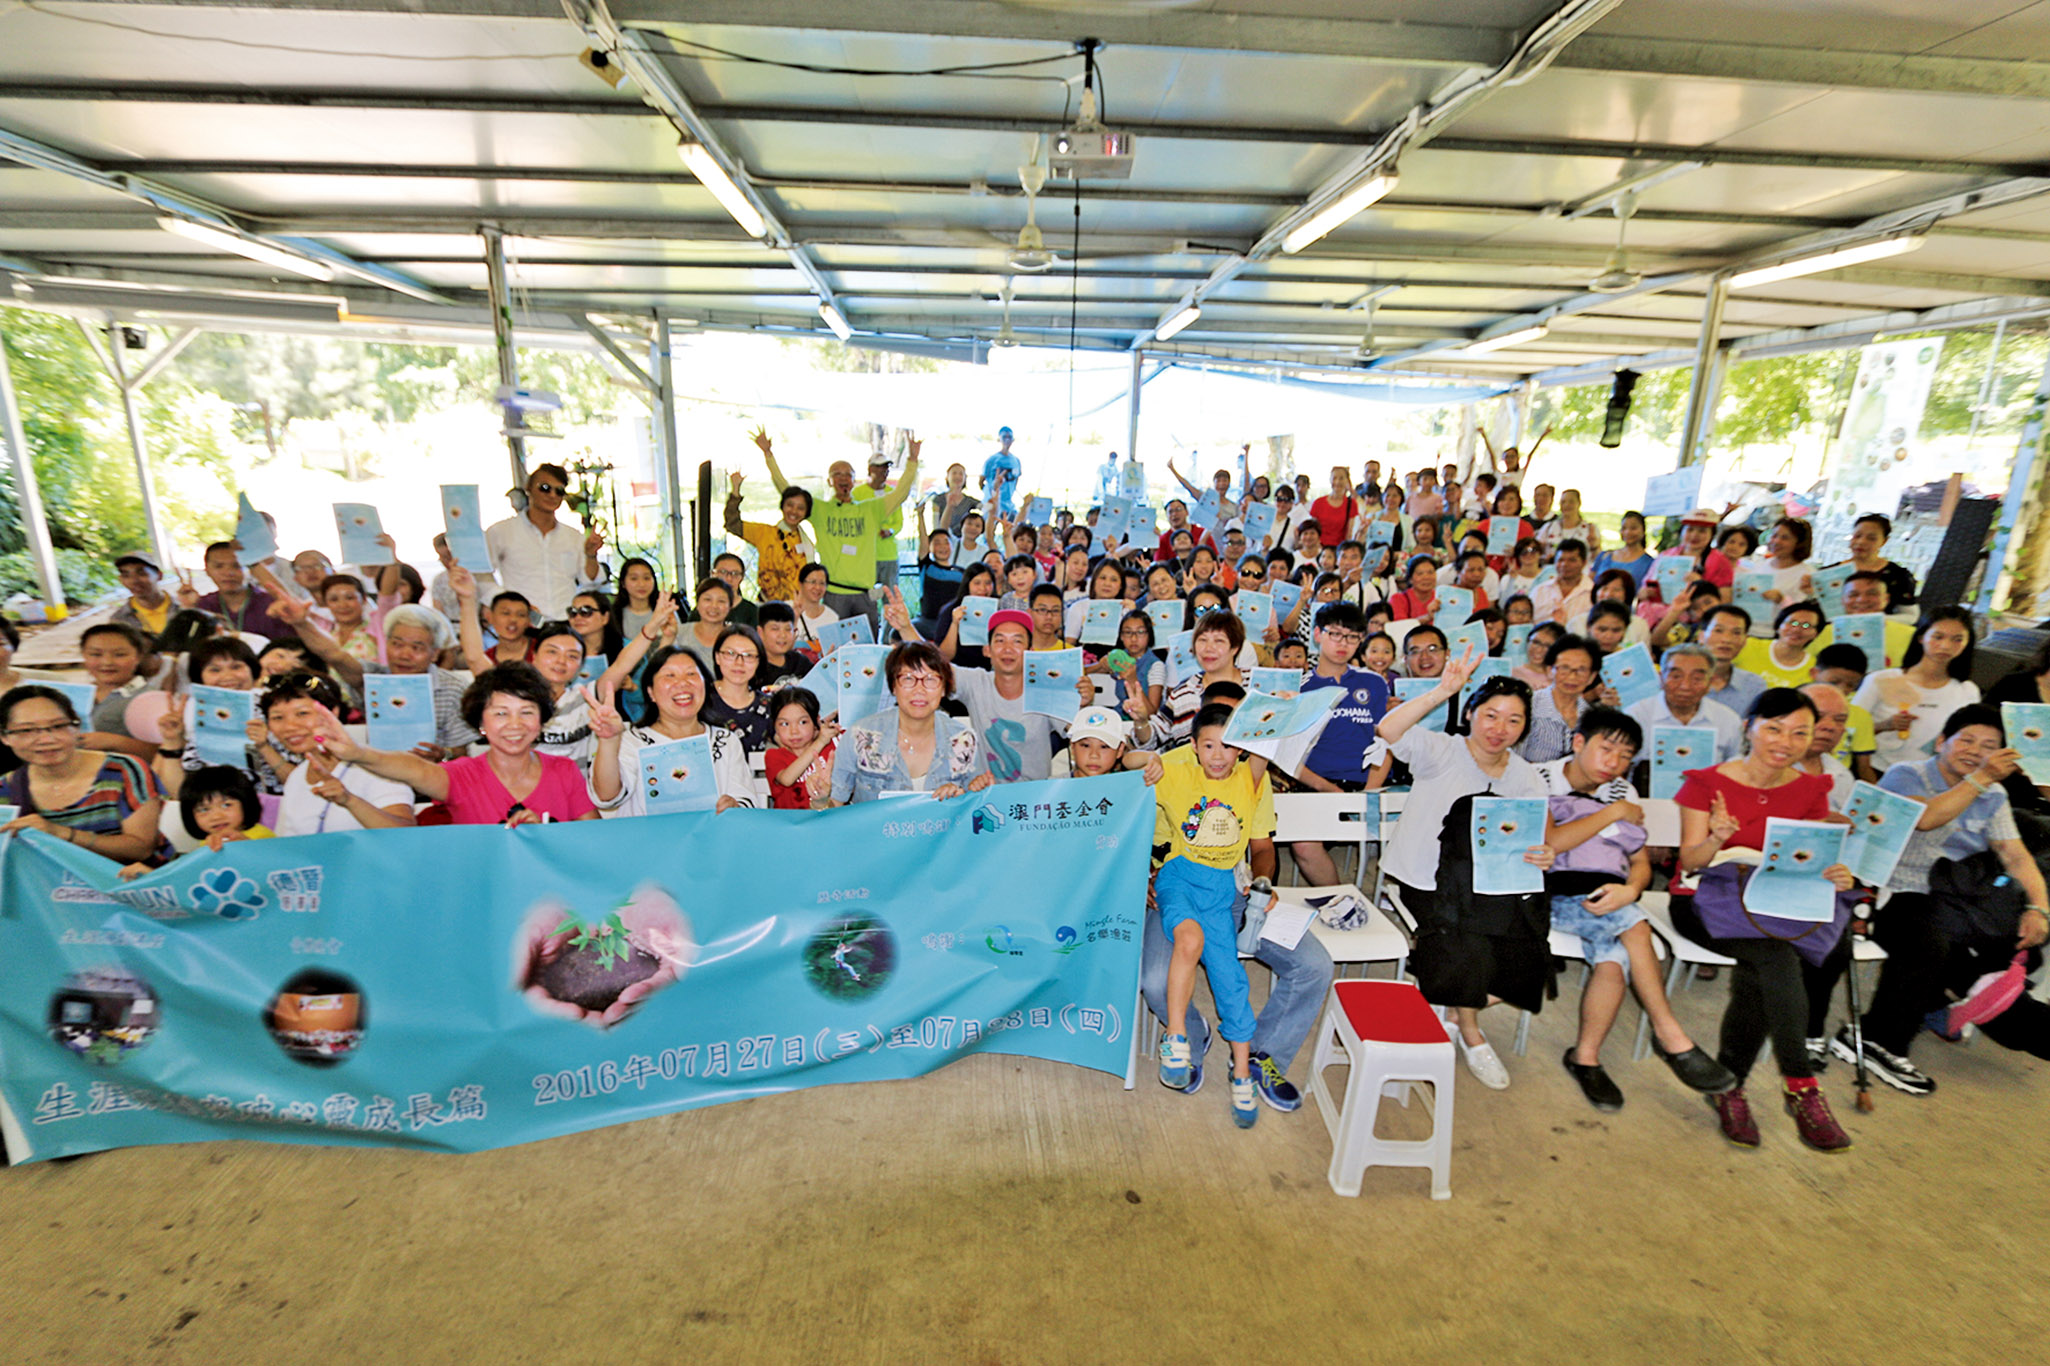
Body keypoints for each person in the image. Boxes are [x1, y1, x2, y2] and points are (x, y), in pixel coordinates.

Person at [1825, 705, 2050, 1090]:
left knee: (2023, 947)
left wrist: (2038, 908)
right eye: (1966, 740)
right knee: (1934, 946)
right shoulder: (1906, 774)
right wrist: (1980, 779)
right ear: (1941, 742)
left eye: (1989, 746)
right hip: (1893, 894)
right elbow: (1926, 818)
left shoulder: (1993, 792)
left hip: (1958, 900)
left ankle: (1938, 1006)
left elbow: (2015, 855)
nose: (1975, 751)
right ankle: (1882, 1039)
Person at [1674, 687, 1856, 1152]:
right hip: (1706, 899)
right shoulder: (1706, 783)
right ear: (1748, 727)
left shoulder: (1812, 788)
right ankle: (1802, 1087)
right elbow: (1689, 863)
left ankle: (1729, 1088)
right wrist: (1717, 838)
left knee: (1765, 970)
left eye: (1800, 733)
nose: (1785, 741)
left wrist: (1832, 870)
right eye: (1773, 728)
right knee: (1776, 959)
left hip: (1774, 901)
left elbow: (1809, 856)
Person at [1536, 708, 1738, 1108]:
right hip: (1552, 894)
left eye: (1625, 756)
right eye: (1606, 749)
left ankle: (1585, 1058)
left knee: (1614, 959)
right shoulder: (1540, 779)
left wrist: (1631, 890)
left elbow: (1641, 862)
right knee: (1636, 928)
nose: (1614, 763)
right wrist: (1610, 813)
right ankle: (1670, 1036)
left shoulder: (1622, 791)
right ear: (1579, 742)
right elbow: (1551, 844)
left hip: (1607, 898)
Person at [1378, 656, 1553, 1088]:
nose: (1500, 727)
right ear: (1472, 712)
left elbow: (1536, 835)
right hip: (1425, 881)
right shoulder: (1443, 751)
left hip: (1491, 886)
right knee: (1470, 946)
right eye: (1491, 714)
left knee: (1531, 958)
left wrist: (1544, 853)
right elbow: (1389, 730)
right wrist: (1441, 692)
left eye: (1513, 720)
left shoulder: (1526, 775)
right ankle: (1472, 1036)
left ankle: (1454, 1008)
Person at [1153, 703, 1273, 1130]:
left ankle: (1241, 1071)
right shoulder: (1177, 773)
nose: (1218, 755)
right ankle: (1177, 1037)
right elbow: (1133, 759)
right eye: (1208, 746)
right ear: (1194, 747)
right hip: (1179, 877)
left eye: (1227, 746)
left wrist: (1273, 701)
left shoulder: (1251, 776)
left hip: (1221, 889)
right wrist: (1146, 761)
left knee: (1231, 979)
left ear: (1242, 749)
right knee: (1189, 941)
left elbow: (1269, 734)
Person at [318, 662, 597, 825]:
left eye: (527, 712)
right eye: (501, 713)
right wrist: (357, 753)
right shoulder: (462, 775)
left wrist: (546, 837)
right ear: (480, 723)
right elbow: (413, 769)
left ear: (541, 721)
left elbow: (593, 841)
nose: (515, 724)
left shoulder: (564, 771)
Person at [268, 598, 479, 759]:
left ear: (435, 654)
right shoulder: (374, 677)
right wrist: (302, 623)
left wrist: (442, 754)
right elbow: (335, 655)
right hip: (379, 774)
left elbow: (461, 753)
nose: (404, 655)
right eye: (396, 644)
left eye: (416, 648)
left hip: (434, 779)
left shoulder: (453, 687)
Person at [759, 431, 919, 630]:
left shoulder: (871, 509)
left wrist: (912, 460)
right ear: (830, 481)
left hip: (864, 594)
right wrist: (768, 455)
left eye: (848, 474)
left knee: (866, 649)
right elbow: (788, 492)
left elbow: (900, 493)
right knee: (834, 650)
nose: (843, 478)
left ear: (854, 481)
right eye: (837, 474)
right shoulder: (819, 510)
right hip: (834, 594)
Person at [1, 684, 167, 865]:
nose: (46, 740)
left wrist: (60, 833)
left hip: (126, 884)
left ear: (77, 726)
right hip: (49, 887)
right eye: (26, 730)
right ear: (5, 737)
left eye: (58, 726)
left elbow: (141, 849)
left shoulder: (126, 771)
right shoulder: (6, 789)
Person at [1286, 602, 1389, 884]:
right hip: (1316, 783)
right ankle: (1339, 901)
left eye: (1352, 636)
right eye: (1335, 634)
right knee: (1304, 844)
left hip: (1367, 784)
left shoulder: (1374, 683)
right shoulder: (1299, 688)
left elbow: (1386, 742)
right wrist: (1327, 789)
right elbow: (1288, 756)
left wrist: (1367, 794)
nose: (1344, 643)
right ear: (1318, 634)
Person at [588, 646, 754, 817]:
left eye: (691, 674)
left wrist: (734, 807)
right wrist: (609, 741)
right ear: (650, 692)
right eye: (670, 675)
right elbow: (607, 796)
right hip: (646, 841)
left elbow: (745, 802)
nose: (683, 683)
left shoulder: (725, 741)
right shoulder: (631, 742)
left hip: (709, 839)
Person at [258, 672, 417, 837]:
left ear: (333, 711)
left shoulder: (376, 767)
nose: (289, 727)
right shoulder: (296, 778)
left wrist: (350, 801)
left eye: (302, 713)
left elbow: (405, 834)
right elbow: (288, 846)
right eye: (277, 718)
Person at [830, 641, 991, 804]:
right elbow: (834, 806)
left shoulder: (964, 740)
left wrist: (962, 798)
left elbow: (975, 806)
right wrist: (820, 800)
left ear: (943, 688)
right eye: (908, 678)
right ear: (893, 686)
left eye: (930, 679)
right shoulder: (861, 737)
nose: (919, 690)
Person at [147, 636, 285, 800]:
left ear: (253, 670)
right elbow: (174, 792)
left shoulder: (276, 709)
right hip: (208, 809)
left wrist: (264, 746)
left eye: (236, 667)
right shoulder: (195, 714)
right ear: (200, 677)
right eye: (214, 670)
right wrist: (171, 741)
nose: (227, 676)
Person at [1853, 607, 1980, 771]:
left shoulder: (1967, 691)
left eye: (1957, 639)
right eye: (1938, 637)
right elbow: (1847, 728)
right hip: (1875, 769)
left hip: (1930, 779)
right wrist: (1884, 725)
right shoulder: (1881, 679)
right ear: (1921, 637)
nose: (1945, 646)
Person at [484, 462, 608, 619]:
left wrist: (591, 555)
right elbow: (481, 576)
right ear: (528, 487)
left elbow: (590, 581)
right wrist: (506, 605)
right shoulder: (501, 531)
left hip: (566, 621)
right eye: (545, 488)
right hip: (521, 623)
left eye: (559, 491)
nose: (552, 495)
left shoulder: (573, 536)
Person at [121, 763, 271, 876]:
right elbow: (191, 879)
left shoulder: (261, 837)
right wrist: (149, 874)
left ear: (246, 802)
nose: (216, 816)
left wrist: (247, 848)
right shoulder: (206, 841)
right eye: (204, 809)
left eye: (226, 805)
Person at [1626, 643, 1744, 764]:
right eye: (1676, 676)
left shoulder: (1729, 721)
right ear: (1661, 678)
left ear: (1710, 682)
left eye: (1697, 678)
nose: (1685, 686)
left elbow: (1737, 768)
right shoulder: (1636, 716)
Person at [724, 462, 817, 604]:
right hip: (767, 605)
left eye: (800, 508)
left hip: (799, 607)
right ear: (782, 506)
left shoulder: (806, 541)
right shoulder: (764, 532)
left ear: (806, 513)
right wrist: (736, 488)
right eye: (790, 505)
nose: (794, 511)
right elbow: (733, 524)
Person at [1518, 633, 1615, 764]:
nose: (1572, 677)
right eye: (1564, 668)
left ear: (1592, 677)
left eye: (1581, 670)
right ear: (1549, 670)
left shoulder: (1591, 717)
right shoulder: (1528, 706)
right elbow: (1513, 760)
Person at [1161, 611, 1248, 745]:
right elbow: (1153, 737)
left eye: (1219, 641)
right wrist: (1141, 721)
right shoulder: (1183, 693)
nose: (1208, 648)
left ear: (1235, 647)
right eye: (1202, 640)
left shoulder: (1257, 684)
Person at [75, 622, 159, 759]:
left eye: (119, 655)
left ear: (138, 657)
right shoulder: (76, 694)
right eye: (96, 654)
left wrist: (114, 741)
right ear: (84, 655)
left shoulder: (151, 699)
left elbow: (164, 752)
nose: (107, 662)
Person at [182, 541, 290, 642]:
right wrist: (188, 609)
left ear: (251, 570)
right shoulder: (203, 606)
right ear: (207, 570)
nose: (228, 572)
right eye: (219, 566)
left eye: (237, 566)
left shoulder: (270, 603)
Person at [1812, 571, 1915, 668]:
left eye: (1872, 594)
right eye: (1853, 595)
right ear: (1843, 600)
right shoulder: (1824, 632)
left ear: (1886, 599)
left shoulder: (1911, 635)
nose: (1862, 600)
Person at [1826, 512, 1919, 613]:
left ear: (1884, 541)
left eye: (1871, 538)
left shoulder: (1898, 576)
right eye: (1857, 536)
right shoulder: (1829, 572)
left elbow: (1910, 615)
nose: (1861, 542)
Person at [701, 625, 773, 752]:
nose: (739, 662)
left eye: (748, 655)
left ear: (758, 661)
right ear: (717, 657)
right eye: (730, 653)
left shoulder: (768, 705)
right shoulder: (701, 699)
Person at [766, 687, 840, 810]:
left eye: (803, 722)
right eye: (784, 724)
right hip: (791, 825)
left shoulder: (832, 746)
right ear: (775, 727)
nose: (794, 731)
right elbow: (787, 779)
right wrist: (821, 741)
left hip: (829, 822)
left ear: (816, 721)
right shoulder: (774, 755)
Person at [1734, 600, 1824, 689]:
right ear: (1778, 626)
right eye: (1793, 623)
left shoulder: (1813, 669)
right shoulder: (1746, 645)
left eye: (1806, 626)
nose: (1796, 629)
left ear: (1816, 634)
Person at [1699, 605, 1766, 715]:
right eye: (1718, 630)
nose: (1727, 639)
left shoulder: (1754, 685)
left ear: (1745, 640)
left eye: (1736, 633)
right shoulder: (1679, 680)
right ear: (1701, 636)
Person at [109, 552, 174, 641]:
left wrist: (191, 606)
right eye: (126, 575)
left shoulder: (184, 608)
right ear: (121, 580)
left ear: (159, 575)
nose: (134, 581)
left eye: (142, 573)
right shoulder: (119, 621)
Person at [752, 602, 814, 692]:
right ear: (760, 632)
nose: (783, 635)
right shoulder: (753, 667)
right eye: (775, 629)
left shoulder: (800, 662)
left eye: (788, 629)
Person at [1531, 539, 1593, 625]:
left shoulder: (1593, 593)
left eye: (1572, 560)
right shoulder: (1539, 591)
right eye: (1560, 560)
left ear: (1584, 563)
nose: (1565, 564)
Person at [1591, 511, 1653, 591]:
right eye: (1624, 528)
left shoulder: (1650, 563)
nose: (1628, 532)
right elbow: (1590, 582)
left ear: (1643, 530)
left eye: (1633, 528)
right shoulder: (1604, 556)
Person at [613, 557, 667, 644]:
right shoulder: (614, 615)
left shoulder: (665, 612)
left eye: (646, 578)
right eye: (634, 578)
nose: (641, 584)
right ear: (623, 583)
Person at [792, 563, 840, 656]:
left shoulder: (832, 618)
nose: (817, 587)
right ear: (800, 584)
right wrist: (795, 617)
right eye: (812, 582)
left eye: (822, 583)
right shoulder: (787, 609)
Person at [1538, 488, 1601, 557]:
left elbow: (1597, 558)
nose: (1567, 505)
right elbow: (1537, 555)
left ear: (1579, 503)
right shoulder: (1548, 528)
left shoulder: (1590, 529)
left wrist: (1595, 546)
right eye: (1563, 502)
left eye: (1571, 501)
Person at [1309, 467, 1360, 549]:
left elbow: (1349, 533)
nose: (1337, 482)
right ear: (1330, 480)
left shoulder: (1351, 504)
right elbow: (1312, 529)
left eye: (1341, 478)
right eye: (1334, 478)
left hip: (1338, 549)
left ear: (1347, 481)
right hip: (1318, 548)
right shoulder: (1318, 503)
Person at [981, 426, 1021, 520]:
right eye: (1004, 437)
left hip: (1008, 505)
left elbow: (1016, 479)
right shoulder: (992, 460)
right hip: (992, 504)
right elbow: (981, 480)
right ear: (999, 439)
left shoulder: (1016, 461)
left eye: (1009, 437)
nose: (1007, 440)